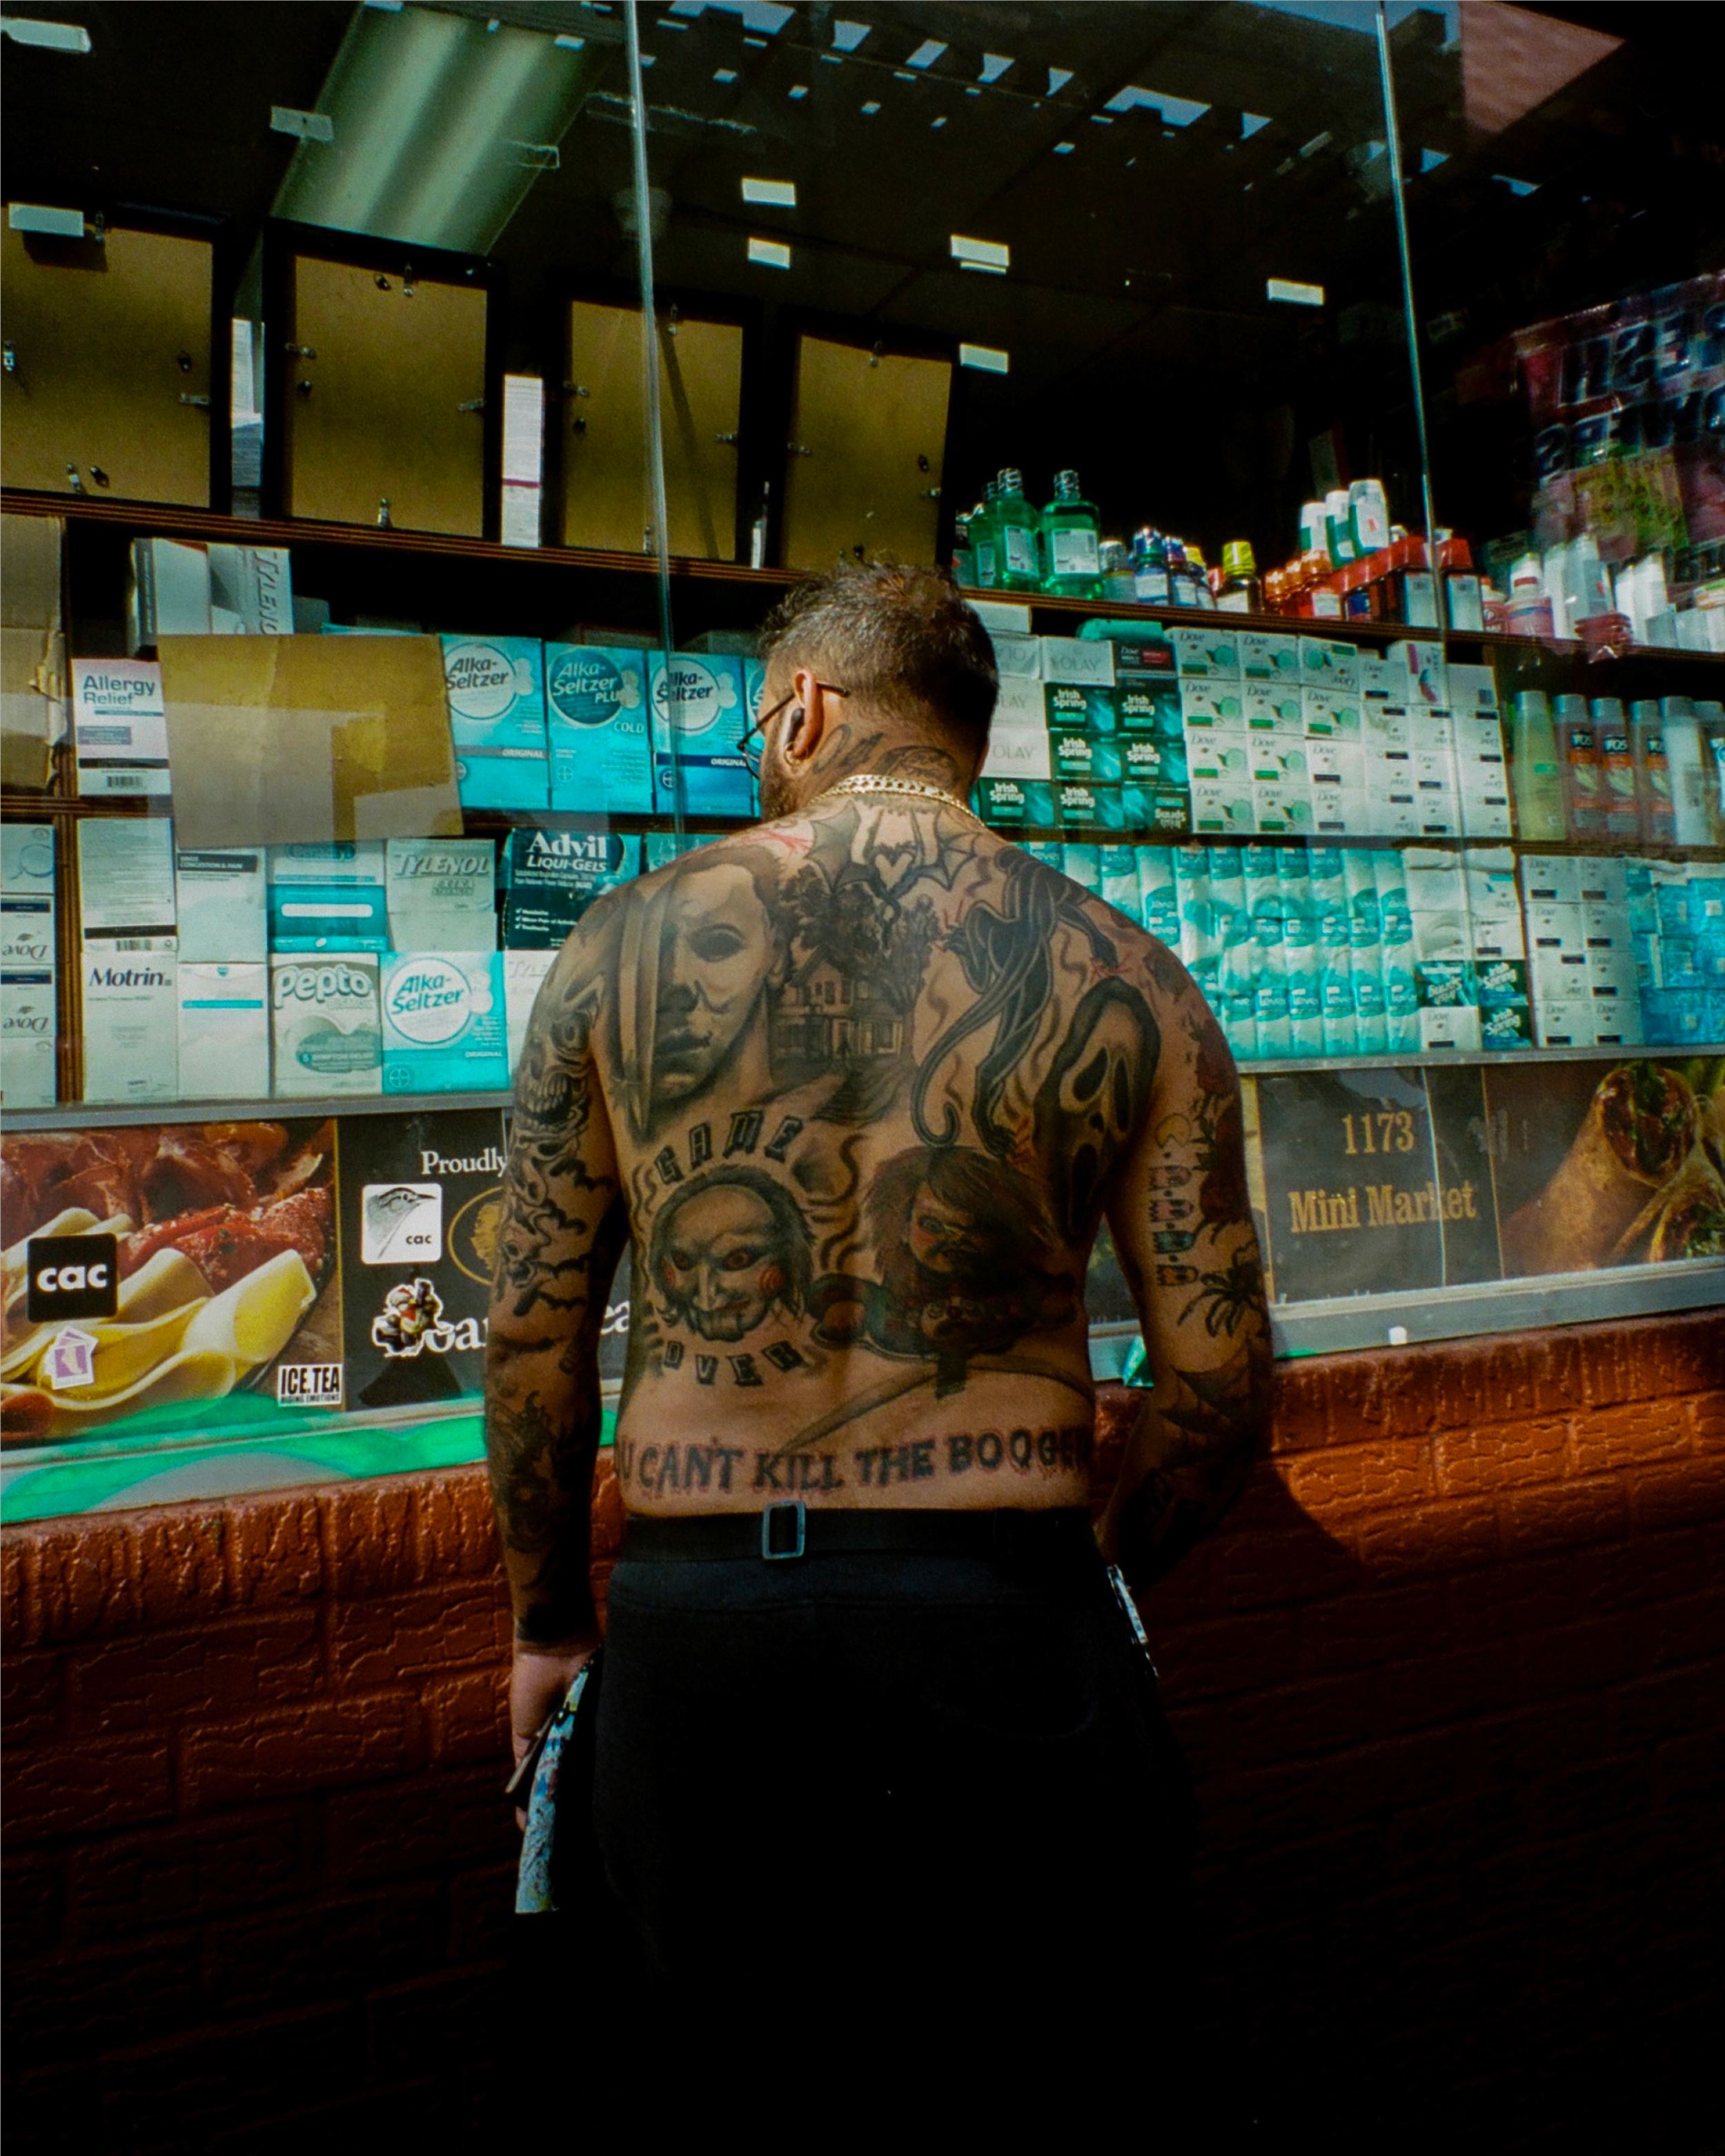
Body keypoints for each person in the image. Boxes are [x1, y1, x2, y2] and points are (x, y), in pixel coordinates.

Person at [484, 561, 1271, 2099]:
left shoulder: (620, 947)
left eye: (755, 719)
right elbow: (1220, 1383)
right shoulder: (1135, 982)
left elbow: (529, 1339)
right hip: (1007, 1623)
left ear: (805, 707)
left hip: (704, 1631)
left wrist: (544, 1621)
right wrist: (1094, 1571)